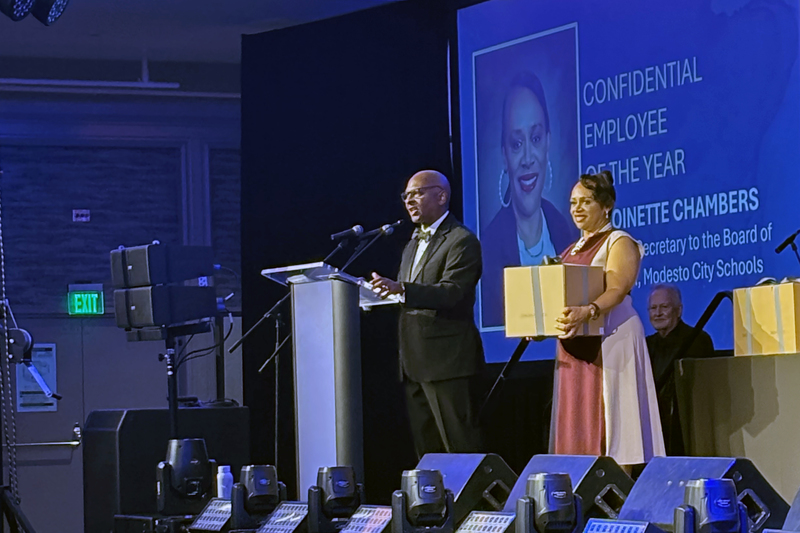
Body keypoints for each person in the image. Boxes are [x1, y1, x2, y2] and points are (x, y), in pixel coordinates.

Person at [552, 170, 664, 472]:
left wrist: (588, 311)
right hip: (577, 342)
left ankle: (619, 497)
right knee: (579, 418)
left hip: (611, 336)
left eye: (585, 202)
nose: (576, 208)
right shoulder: (568, 251)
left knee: (616, 421)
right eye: (573, 202)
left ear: (606, 206)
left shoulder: (619, 241)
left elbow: (617, 287)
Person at [370, 170, 484, 456]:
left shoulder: (461, 240)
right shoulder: (411, 243)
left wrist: (402, 289)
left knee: (460, 447)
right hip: (413, 360)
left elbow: (452, 292)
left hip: (446, 361)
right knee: (428, 451)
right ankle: (433, 501)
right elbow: (406, 293)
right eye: (406, 196)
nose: (409, 201)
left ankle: (470, 501)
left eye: (417, 194)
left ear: (441, 196)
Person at [481, 71, 577, 328]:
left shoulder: (566, 232)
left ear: (548, 142)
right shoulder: (488, 246)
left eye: (535, 139)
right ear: (504, 155)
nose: (526, 157)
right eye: (515, 144)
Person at [646, 284, 715, 455]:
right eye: (653, 308)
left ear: (679, 310)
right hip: (654, 426)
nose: (658, 313)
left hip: (685, 429)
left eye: (664, 307)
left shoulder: (697, 340)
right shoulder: (646, 344)